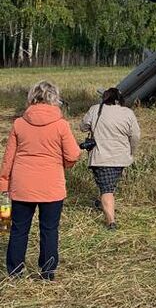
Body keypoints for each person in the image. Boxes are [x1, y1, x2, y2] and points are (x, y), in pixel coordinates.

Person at [0, 81, 80, 280]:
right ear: (55, 98)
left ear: (32, 97)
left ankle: (15, 272)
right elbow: (73, 154)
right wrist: (63, 164)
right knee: (49, 230)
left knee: (19, 230)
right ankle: (47, 272)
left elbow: (8, 159)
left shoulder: (19, 123)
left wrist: (4, 182)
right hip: (52, 186)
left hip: (22, 186)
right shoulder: (61, 125)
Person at [80, 87, 141, 229]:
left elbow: (83, 127)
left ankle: (111, 222)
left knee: (106, 189)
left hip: (101, 157)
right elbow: (135, 135)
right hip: (121, 157)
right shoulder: (128, 113)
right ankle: (103, 203)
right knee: (109, 186)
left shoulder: (95, 109)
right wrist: (131, 151)